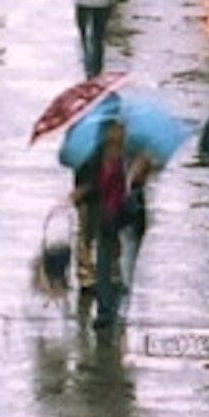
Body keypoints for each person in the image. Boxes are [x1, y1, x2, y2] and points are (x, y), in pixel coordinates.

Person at [72, 123, 150, 334]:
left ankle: (117, 305)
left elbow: (142, 179)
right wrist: (79, 195)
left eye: (121, 128)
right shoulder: (94, 155)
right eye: (113, 129)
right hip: (105, 217)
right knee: (104, 261)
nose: (118, 133)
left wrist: (135, 174)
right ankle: (105, 311)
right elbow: (87, 183)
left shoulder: (134, 152)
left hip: (129, 218)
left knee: (126, 263)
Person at [68, 0, 117, 79]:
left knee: (85, 39)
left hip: (82, 1)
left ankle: (88, 72)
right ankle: (96, 72)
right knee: (98, 38)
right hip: (103, 1)